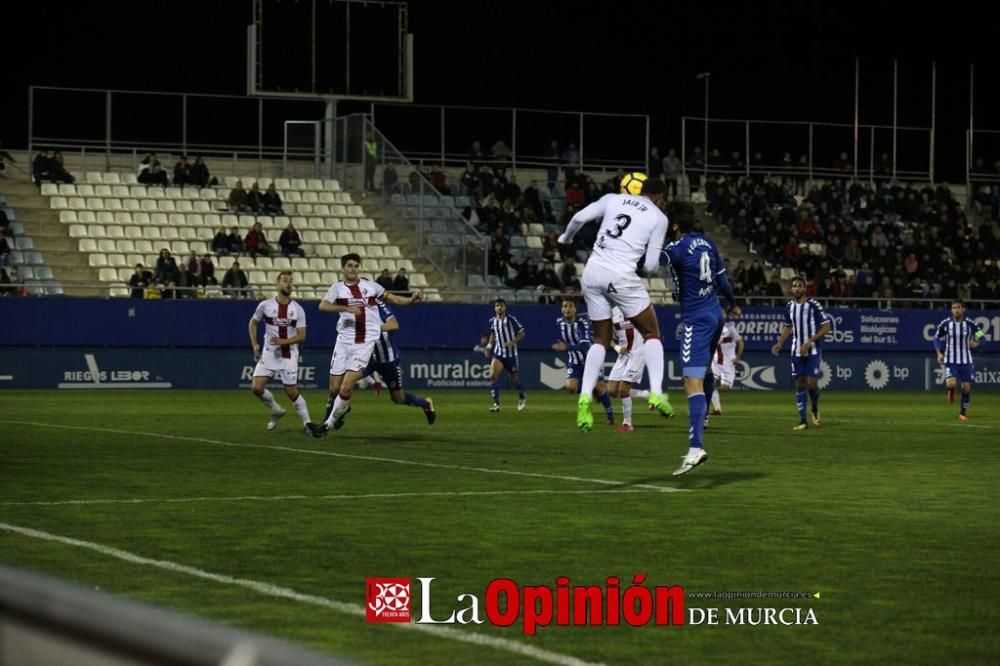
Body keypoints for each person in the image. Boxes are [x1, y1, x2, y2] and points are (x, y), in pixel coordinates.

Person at [557, 175, 674, 433]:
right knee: (652, 333)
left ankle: (585, 396)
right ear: (660, 197)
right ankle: (656, 392)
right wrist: (645, 262)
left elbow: (577, 219)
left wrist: (565, 238)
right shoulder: (659, 217)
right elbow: (652, 264)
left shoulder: (613, 199)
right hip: (620, 275)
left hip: (592, 271)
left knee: (600, 339)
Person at [663, 201, 740, 475]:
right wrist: (732, 303)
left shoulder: (677, 247)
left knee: (690, 381)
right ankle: (704, 415)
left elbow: (652, 261)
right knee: (705, 370)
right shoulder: (707, 243)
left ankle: (696, 448)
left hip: (696, 318)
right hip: (716, 312)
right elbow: (723, 281)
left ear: (673, 225)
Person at [311, 253, 422, 437]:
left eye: (355, 265)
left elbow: (392, 298)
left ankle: (326, 426)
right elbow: (323, 306)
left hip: (363, 344)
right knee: (334, 389)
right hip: (343, 342)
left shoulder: (370, 286)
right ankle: (343, 408)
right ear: (343, 268)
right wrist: (346, 308)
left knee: (346, 387)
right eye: (349, 265)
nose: (353, 268)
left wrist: (410, 300)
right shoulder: (337, 288)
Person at [247, 271, 316, 433]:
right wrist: (255, 345)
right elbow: (253, 323)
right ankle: (277, 410)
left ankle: (308, 424)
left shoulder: (298, 309)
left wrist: (282, 342)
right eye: (285, 281)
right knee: (256, 388)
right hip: (269, 353)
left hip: (289, 355)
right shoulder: (265, 305)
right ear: (277, 284)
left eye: (291, 281)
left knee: (291, 391)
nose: (289, 284)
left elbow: (302, 336)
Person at [357, 301, 437, 424]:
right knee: (346, 382)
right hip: (371, 359)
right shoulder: (355, 308)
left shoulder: (379, 306)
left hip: (389, 361)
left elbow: (394, 325)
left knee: (398, 398)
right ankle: (331, 419)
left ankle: (425, 403)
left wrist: (375, 329)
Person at [770, 276, 831, 431]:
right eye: (794, 286)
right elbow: (788, 327)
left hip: (813, 350)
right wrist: (779, 343)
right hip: (796, 350)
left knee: (812, 383)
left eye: (799, 286)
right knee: (800, 382)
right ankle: (803, 419)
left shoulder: (813, 305)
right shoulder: (789, 307)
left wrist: (810, 341)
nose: (796, 289)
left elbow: (826, 326)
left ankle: (815, 408)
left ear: (805, 289)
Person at [551, 298, 614, 425]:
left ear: (575, 309)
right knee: (570, 387)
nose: (567, 309)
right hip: (574, 361)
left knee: (600, 387)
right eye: (565, 306)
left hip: (591, 359)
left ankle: (610, 414)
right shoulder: (559, 322)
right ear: (561, 309)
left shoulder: (581, 323)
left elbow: (585, 344)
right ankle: (590, 389)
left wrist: (567, 347)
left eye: (570, 306)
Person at [933, 299, 985, 421]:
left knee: (966, 388)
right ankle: (950, 391)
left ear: (963, 309)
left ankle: (962, 413)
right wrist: (939, 353)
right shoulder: (946, 324)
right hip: (950, 360)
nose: (956, 310)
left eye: (958, 307)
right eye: (954, 307)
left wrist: (976, 344)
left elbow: (982, 338)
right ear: (951, 310)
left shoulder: (970, 324)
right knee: (951, 383)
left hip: (966, 361)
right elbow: (936, 338)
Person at [607, 306, 650, 433]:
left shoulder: (638, 308)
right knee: (612, 390)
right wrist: (616, 347)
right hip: (623, 354)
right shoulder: (612, 313)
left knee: (623, 388)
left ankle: (627, 424)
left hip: (638, 353)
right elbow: (606, 337)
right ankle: (644, 394)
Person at [484, 298, 526, 412]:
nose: (499, 308)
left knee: (513, 379)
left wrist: (513, 341)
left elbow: (522, 332)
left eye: (501, 306)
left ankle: (521, 396)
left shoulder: (511, 319)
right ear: (494, 308)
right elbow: (493, 334)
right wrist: (489, 346)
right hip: (499, 353)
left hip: (511, 354)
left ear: (505, 307)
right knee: (493, 376)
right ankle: (496, 404)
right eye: (497, 306)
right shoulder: (493, 321)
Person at [708, 318, 744, 417]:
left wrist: (738, 357)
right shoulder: (711, 330)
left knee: (725, 389)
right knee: (710, 385)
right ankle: (717, 409)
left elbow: (741, 342)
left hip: (728, 364)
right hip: (715, 363)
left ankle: (732, 375)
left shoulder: (730, 329)